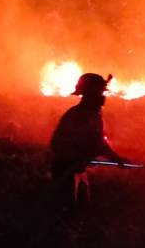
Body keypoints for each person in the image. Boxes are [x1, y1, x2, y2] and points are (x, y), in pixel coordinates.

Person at [49, 72, 131, 211]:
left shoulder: (93, 114)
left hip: (79, 170)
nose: (103, 97)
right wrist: (74, 158)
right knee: (67, 211)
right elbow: (57, 143)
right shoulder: (77, 115)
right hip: (67, 170)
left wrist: (117, 159)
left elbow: (98, 143)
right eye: (99, 93)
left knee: (81, 209)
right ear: (89, 94)